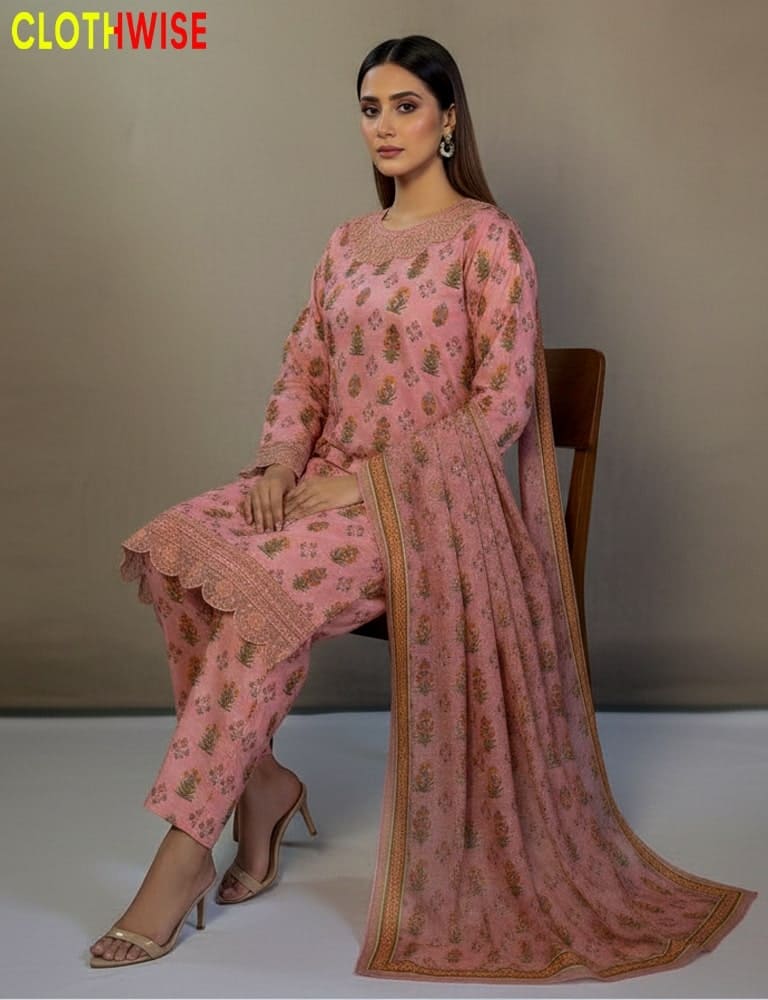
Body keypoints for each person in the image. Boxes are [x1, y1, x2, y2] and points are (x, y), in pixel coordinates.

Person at [89, 34, 757, 983]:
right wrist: (280, 460)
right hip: (316, 483)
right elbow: (303, 370)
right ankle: (262, 781)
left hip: (422, 507)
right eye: (371, 107)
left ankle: (184, 847)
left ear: (448, 120)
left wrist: (363, 483)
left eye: (407, 105)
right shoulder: (345, 245)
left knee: (261, 603)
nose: (386, 125)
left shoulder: (489, 240)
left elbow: (499, 410)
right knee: (176, 555)